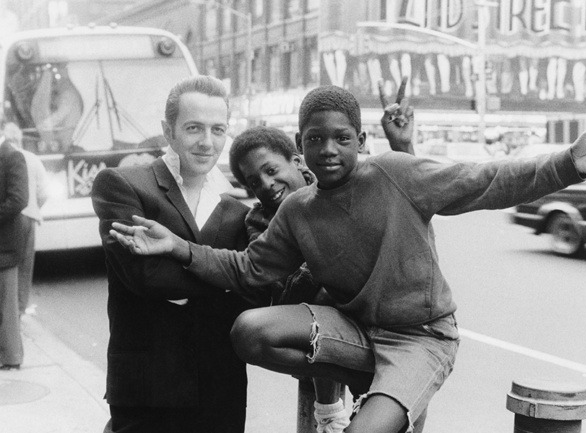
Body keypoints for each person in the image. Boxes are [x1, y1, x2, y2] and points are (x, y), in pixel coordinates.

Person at [109, 85, 586, 433]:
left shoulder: (396, 174)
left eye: (342, 138)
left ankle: (380, 394)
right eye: (316, 139)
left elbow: (489, 180)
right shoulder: (296, 210)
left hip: (421, 338)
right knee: (249, 330)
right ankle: (360, 382)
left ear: (361, 140)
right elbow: (247, 270)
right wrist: (177, 246)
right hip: (354, 333)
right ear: (302, 146)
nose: (329, 150)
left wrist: (569, 163)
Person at [225, 79, 414, 433]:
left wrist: (401, 145)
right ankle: (329, 409)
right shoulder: (261, 219)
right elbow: (273, 281)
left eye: (271, 170)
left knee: (402, 414)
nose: (265, 185)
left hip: (385, 321)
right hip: (319, 325)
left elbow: (407, 200)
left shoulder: (343, 178)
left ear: (297, 159)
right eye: (253, 182)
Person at [90, 75, 258, 433]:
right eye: (194, 128)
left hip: (220, 385)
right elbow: (147, 278)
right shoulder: (123, 185)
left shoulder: (237, 210)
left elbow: (255, 286)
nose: (207, 142)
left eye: (218, 129)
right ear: (169, 131)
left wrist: (235, 278)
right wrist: (230, 276)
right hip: (148, 384)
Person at [4, 122, 49, 315]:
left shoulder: (5, 158)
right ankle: (20, 310)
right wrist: (35, 208)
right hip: (29, 217)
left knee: (9, 267)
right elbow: (43, 191)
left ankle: (10, 311)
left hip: (11, 219)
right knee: (25, 267)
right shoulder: (31, 158)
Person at [0, 120, 29, 371]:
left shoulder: (12, 157)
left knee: (7, 305)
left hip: (6, 244)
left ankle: (11, 357)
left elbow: (19, 199)